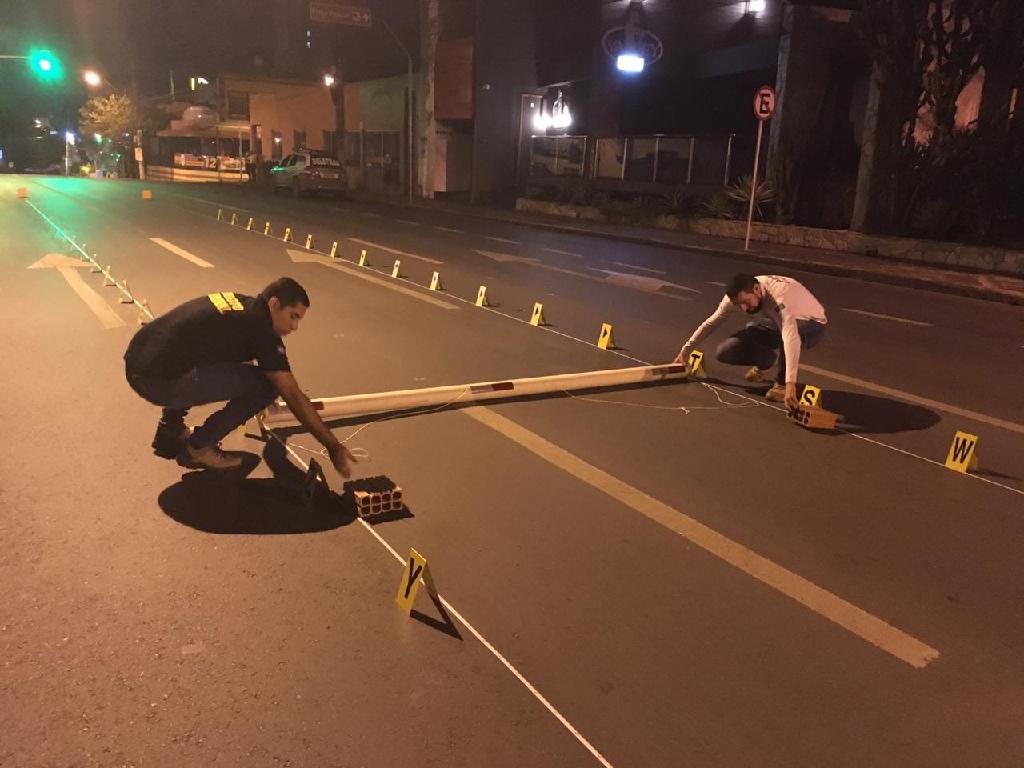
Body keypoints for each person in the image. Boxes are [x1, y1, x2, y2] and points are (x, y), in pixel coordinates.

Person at [124, 277, 357, 475]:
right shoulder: (262, 330)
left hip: (138, 362)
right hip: (158, 382)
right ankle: (199, 448)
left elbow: (224, 348)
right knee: (267, 387)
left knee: (198, 354)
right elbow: (294, 396)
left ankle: (170, 429)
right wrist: (333, 446)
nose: (294, 327)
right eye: (293, 316)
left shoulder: (241, 305)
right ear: (274, 304)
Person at [673, 273, 827, 411]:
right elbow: (710, 324)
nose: (744, 308)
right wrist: (685, 352)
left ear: (756, 289)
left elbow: (790, 336)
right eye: (739, 304)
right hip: (772, 322)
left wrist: (790, 384)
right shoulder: (734, 299)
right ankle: (766, 361)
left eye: (746, 302)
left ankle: (780, 384)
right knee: (727, 350)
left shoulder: (779, 297)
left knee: (788, 333)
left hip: (811, 323)